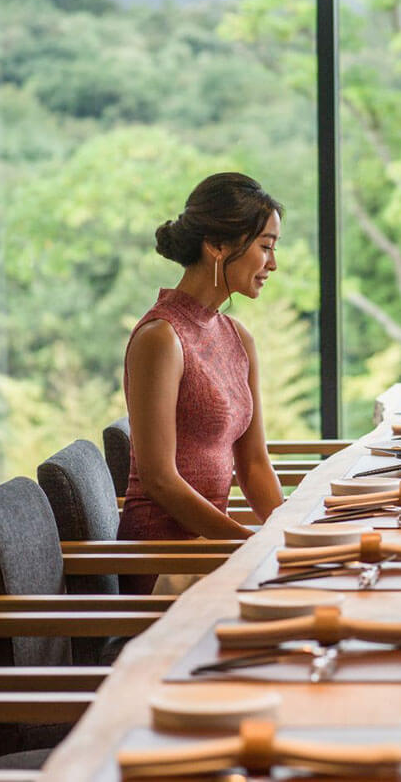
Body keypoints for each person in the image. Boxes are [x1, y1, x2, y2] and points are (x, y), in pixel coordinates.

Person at [118, 172, 285, 592]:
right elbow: (159, 479)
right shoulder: (160, 337)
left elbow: (254, 463)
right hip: (166, 562)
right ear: (216, 245)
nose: (273, 264)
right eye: (265, 247)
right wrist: (246, 545)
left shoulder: (237, 336)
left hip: (211, 551)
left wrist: (286, 538)